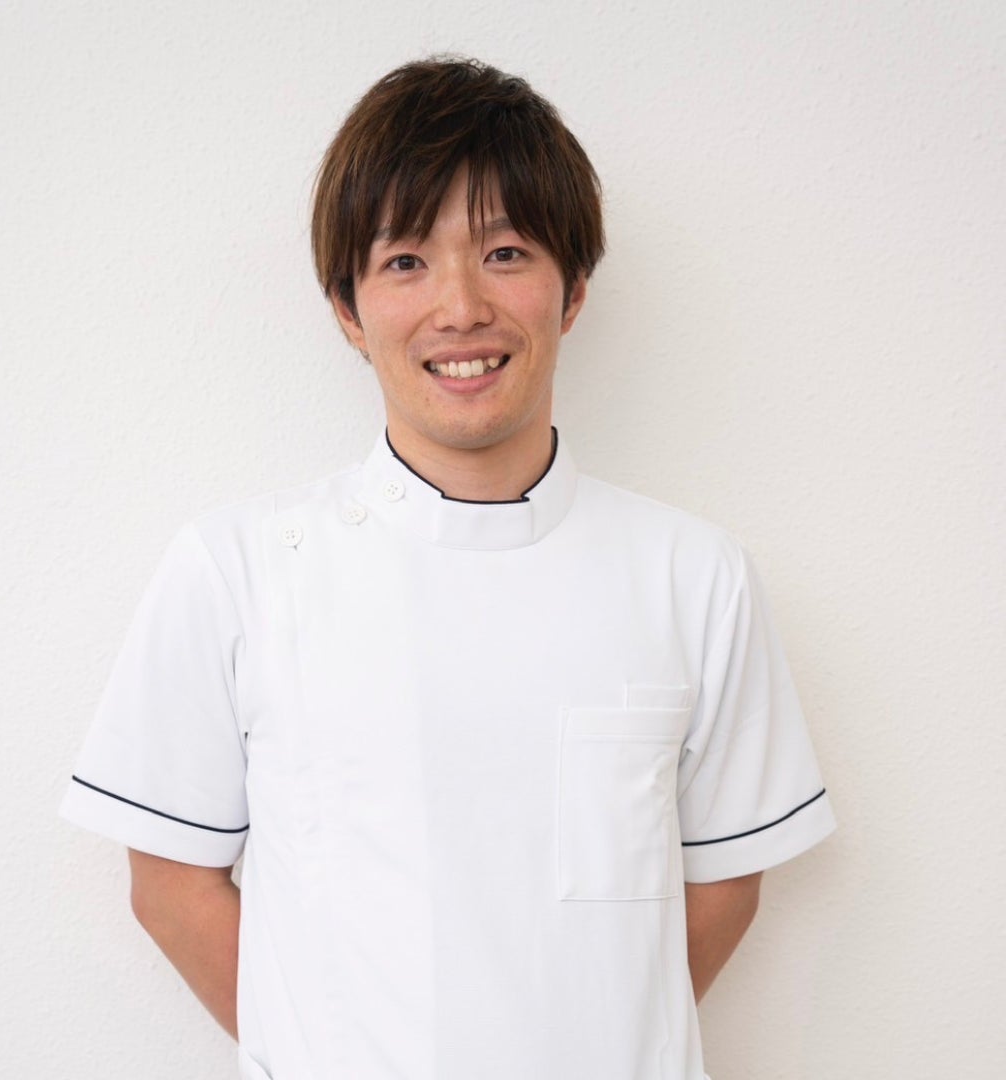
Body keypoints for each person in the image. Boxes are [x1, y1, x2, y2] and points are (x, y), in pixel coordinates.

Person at [60, 57, 836, 1080]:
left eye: (506, 252)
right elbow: (170, 884)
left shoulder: (695, 578)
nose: (461, 307)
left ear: (574, 291)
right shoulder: (237, 571)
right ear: (347, 309)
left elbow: (726, 881)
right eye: (405, 261)